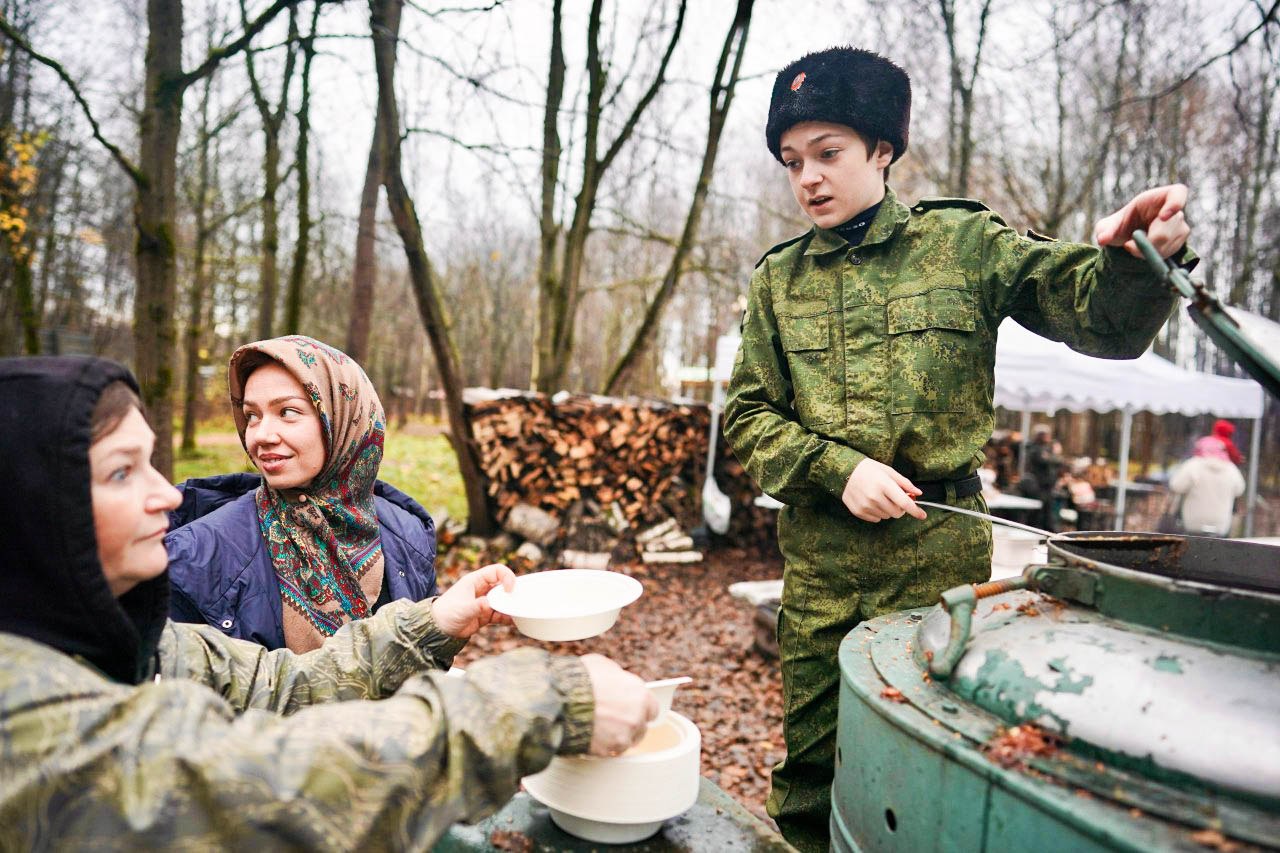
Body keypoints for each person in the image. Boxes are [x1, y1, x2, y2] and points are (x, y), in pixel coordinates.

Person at [723, 46, 1194, 851]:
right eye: (791, 161)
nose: (807, 178)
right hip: (823, 568)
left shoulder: (963, 245)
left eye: (828, 153)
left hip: (934, 559)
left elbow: (1098, 316)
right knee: (808, 769)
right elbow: (747, 418)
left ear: (881, 150)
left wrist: (1136, 261)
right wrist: (839, 469)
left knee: (927, 757)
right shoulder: (780, 281)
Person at [0, 356, 658, 849]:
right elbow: (253, 782)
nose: (169, 495)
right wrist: (537, 699)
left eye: (289, 410)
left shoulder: (125, 640)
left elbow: (279, 685)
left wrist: (430, 623)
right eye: (122, 470)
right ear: (31, 510)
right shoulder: (20, 704)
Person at [166, 335, 438, 652]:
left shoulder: (409, 534)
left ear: (346, 417)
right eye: (252, 415)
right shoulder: (195, 556)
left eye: (288, 412)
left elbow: (428, 664)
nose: (261, 435)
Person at [1168, 435, 1246, 536]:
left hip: (1193, 523)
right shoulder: (1231, 469)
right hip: (1220, 525)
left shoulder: (1193, 465)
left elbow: (1176, 486)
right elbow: (1240, 489)